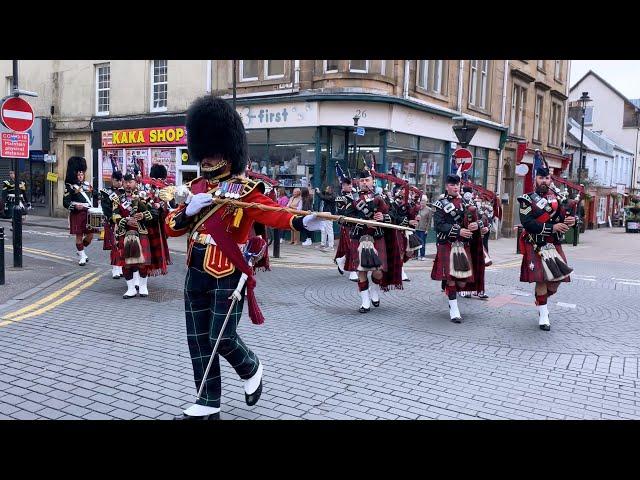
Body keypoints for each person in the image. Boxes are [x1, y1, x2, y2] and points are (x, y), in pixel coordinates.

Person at [165, 96, 322, 420]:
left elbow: (272, 211)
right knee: (198, 342)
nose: (209, 158)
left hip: (228, 271)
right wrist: (186, 212)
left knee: (219, 336)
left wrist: (300, 221)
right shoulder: (194, 188)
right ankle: (208, 401)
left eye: (215, 151)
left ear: (228, 151)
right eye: (204, 151)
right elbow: (170, 229)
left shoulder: (246, 189)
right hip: (195, 270)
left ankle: (251, 367)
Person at [517, 164, 575, 331]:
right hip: (536, 243)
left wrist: (573, 221)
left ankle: (540, 299)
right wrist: (551, 228)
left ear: (551, 180)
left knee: (556, 281)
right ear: (535, 179)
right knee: (541, 279)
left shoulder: (559, 199)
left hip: (554, 243)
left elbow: (566, 218)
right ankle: (543, 314)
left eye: (547, 178)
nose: (544, 181)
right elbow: (527, 223)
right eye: (541, 178)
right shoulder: (527, 200)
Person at [342, 169, 403, 313]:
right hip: (360, 238)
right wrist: (364, 222)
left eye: (367, 180)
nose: (364, 183)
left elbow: (394, 215)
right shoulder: (353, 199)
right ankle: (365, 302)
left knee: (378, 271)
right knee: (361, 271)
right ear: (358, 182)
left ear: (372, 181)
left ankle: (374, 289)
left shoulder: (382, 197)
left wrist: (383, 217)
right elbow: (345, 219)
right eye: (362, 181)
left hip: (378, 237)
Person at [430, 174, 488, 323]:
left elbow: (483, 217)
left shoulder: (467, 201)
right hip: (447, 244)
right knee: (451, 278)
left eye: (457, 184)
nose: (455, 187)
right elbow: (438, 225)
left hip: (464, 245)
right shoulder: (440, 204)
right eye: (452, 184)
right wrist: (458, 231)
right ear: (446, 186)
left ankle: (450, 291)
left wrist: (479, 225)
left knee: (462, 281)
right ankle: (454, 310)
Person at [114, 173, 154, 298]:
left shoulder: (143, 197)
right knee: (126, 264)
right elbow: (114, 215)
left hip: (140, 232)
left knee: (142, 263)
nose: (127, 184)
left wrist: (142, 216)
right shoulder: (118, 199)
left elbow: (152, 214)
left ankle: (143, 286)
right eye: (125, 182)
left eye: (130, 182)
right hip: (124, 233)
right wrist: (125, 221)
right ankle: (131, 288)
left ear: (135, 183)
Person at [63, 157, 96, 266]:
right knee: (79, 236)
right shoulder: (70, 186)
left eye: (82, 173)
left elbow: (95, 194)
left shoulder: (87, 185)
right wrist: (75, 207)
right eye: (78, 174)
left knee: (90, 235)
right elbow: (65, 202)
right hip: (77, 213)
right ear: (75, 174)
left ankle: (80, 249)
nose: (81, 176)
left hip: (88, 212)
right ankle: (82, 256)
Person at [100, 171, 125, 279]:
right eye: (117, 180)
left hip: (123, 222)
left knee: (122, 246)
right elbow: (105, 208)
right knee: (114, 246)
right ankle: (115, 268)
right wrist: (114, 219)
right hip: (112, 222)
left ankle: (121, 267)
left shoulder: (125, 192)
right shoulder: (106, 192)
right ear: (112, 180)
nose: (119, 183)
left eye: (121, 180)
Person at [317, 185, 336, 251]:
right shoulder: (327, 194)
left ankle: (331, 246)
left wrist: (318, 192)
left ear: (331, 189)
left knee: (329, 230)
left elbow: (323, 197)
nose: (326, 190)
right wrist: (320, 191)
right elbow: (323, 194)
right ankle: (323, 244)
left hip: (329, 213)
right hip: (324, 212)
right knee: (323, 229)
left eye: (327, 189)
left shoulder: (332, 196)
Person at [415, 195, 433, 261]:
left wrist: (427, 229)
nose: (422, 202)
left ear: (426, 202)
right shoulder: (417, 209)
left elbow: (429, 221)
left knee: (422, 242)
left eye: (423, 201)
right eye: (421, 201)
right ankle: (416, 255)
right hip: (416, 227)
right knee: (416, 242)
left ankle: (422, 255)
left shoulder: (429, 210)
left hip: (423, 228)